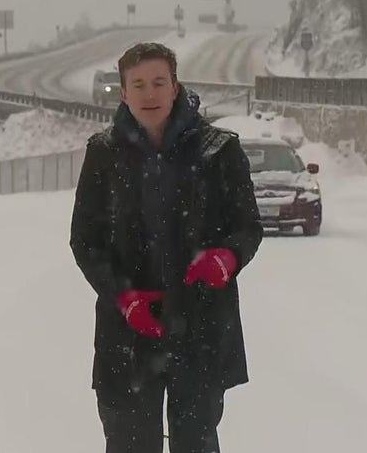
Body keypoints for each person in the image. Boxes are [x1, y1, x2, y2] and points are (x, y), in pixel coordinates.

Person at [70, 42, 263, 453]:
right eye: (138, 85)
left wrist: (226, 258)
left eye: (159, 82)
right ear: (123, 93)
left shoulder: (219, 151)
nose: (149, 93)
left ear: (176, 87)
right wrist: (125, 298)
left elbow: (247, 226)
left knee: (196, 444)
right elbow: (85, 241)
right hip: (128, 335)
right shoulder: (102, 155)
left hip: (202, 329)